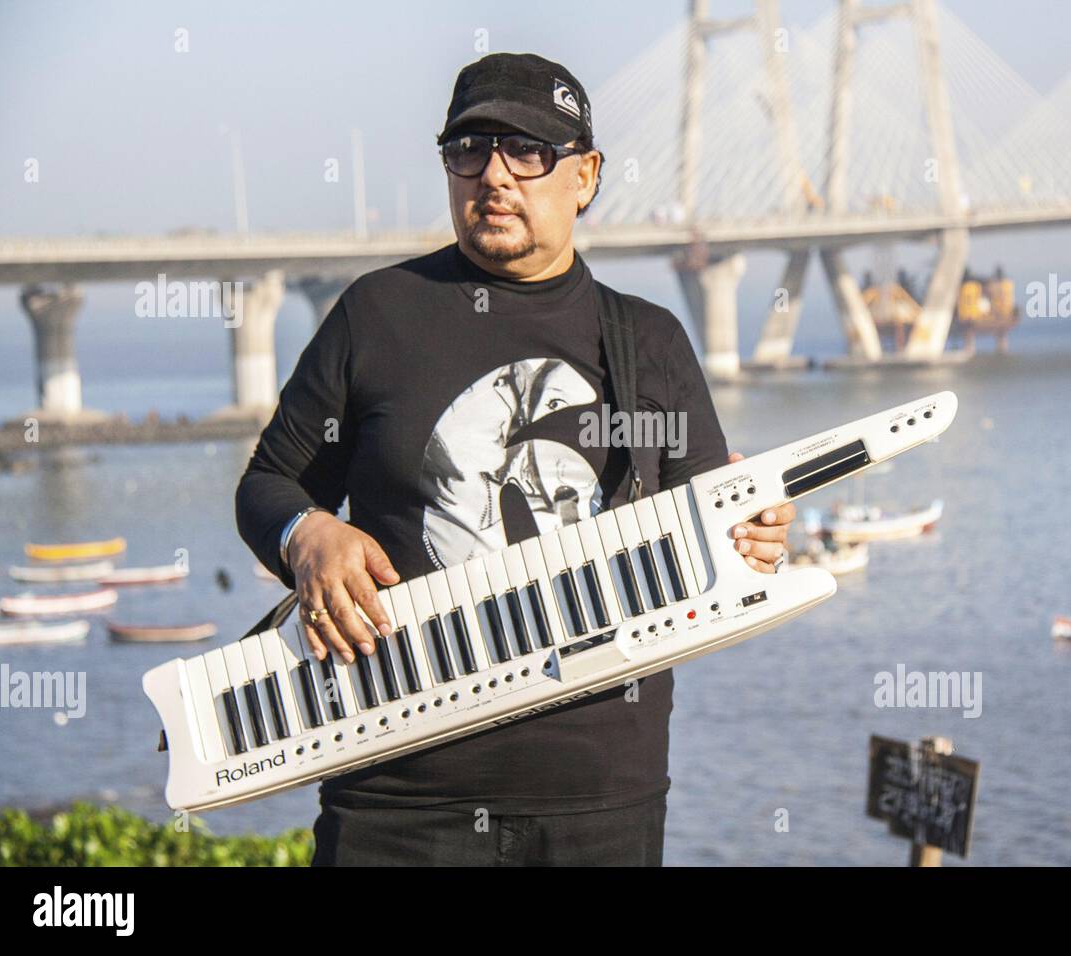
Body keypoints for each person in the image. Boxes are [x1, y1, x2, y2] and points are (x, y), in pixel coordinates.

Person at [235, 52, 794, 866]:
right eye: (469, 149)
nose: (493, 174)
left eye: (528, 150)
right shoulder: (377, 314)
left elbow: (716, 542)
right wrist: (307, 535)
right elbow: (267, 484)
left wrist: (758, 538)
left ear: (586, 176)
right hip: (396, 799)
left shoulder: (648, 342)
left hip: (601, 802)